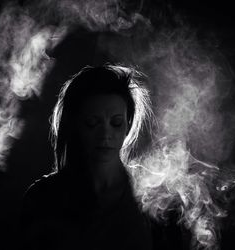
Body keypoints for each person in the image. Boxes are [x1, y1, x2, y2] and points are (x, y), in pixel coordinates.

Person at [20, 64, 154, 250]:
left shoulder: (150, 195)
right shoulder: (43, 199)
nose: (105, 134)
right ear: (74, 125)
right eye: (92, 122)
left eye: (116, 123)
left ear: (128, 125)